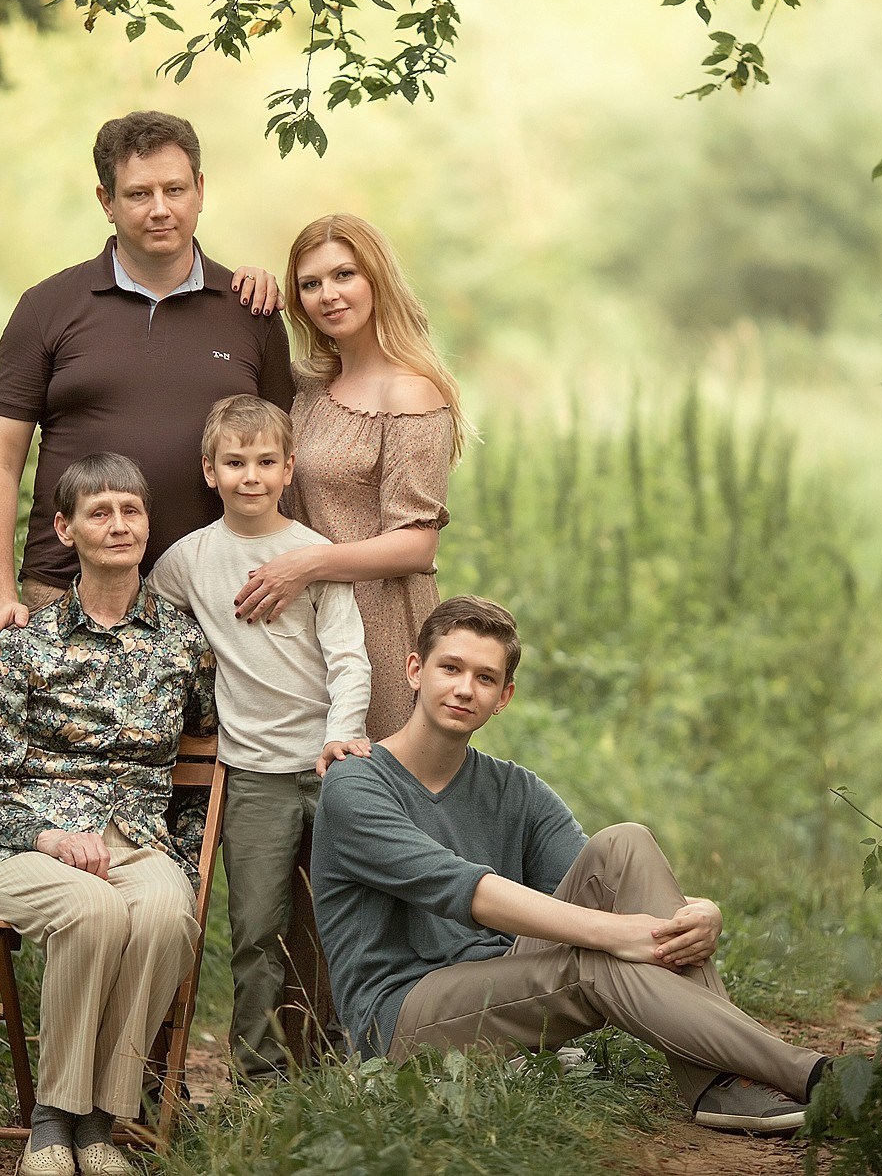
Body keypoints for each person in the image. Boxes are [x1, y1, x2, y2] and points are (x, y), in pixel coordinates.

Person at [311, 596, 832, 1136]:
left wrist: (702, 916)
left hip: (503, 980)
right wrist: (615, 934)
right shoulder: (357, 783)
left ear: (503, 697)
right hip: (402, 1017)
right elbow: (467, 891)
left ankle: (720, 1083)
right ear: (415, 671)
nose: (465, 688)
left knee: (625, 844)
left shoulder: (516, 788)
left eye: (485, 678)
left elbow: (609, 888)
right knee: (595, 961)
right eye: (451, 668)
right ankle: (811, 1074)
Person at [0, 110, 294, 680]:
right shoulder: (48, 308)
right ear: (106, 200)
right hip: (67, 593)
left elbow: (288, 460)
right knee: (61, 766)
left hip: (218, 594)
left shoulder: (251, 312)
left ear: (200, 191)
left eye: (175, 189)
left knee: (214, 767)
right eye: (139, 193)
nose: (160, 208)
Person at [0, 453, 213, 1176]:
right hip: (31, 850)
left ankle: (101, 1121)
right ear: (65, 528)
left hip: (138, 838)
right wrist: (47, 834)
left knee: (169, 912)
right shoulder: (28, 643)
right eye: (100, 511)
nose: (119, 523)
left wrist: (185, 860)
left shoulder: (182, 643)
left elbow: (197, 771)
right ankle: (51, 1122)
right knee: (92, 911)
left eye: (131, 510)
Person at [146, 395, 373, 1079]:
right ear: (209, 470)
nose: (251, 475)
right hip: (251, 772)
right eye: (235, 462)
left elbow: (348, 656)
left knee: (347, 920)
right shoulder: (188, 560)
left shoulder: (313, 553)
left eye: (266, 461)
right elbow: (157, 630)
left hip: (331, 764)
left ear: (289, 467)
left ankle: (353, 1056)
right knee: (255, 929)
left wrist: (344, 735)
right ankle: (258, 1072)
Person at [232, 214, 466, 741]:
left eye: (344, 276)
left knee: (379, 789)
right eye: (310, 284)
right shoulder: (310, 387)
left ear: (376, 279)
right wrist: (249, 287)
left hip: (381, 625)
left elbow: (417, 546)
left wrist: (309, 564)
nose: (328, 295)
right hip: (306, 620)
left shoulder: (411, 394)